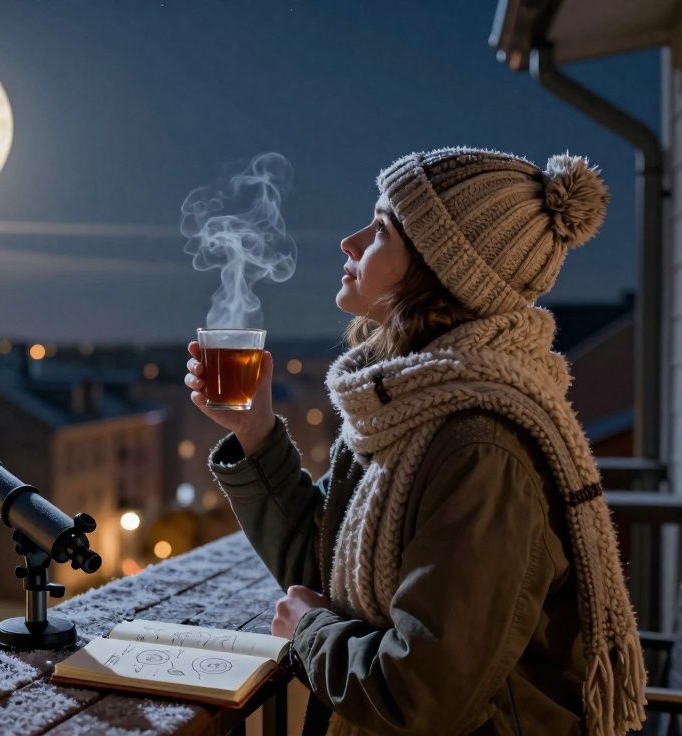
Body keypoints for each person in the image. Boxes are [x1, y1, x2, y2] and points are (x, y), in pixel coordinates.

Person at [185, 147, 647, 735]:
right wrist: (255, 433)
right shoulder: (402, 407)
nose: (350, 243)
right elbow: (324, 571)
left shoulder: (480, 448)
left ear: (441, 266)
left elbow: (422, 694)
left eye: (380, 229)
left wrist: (310, 630)